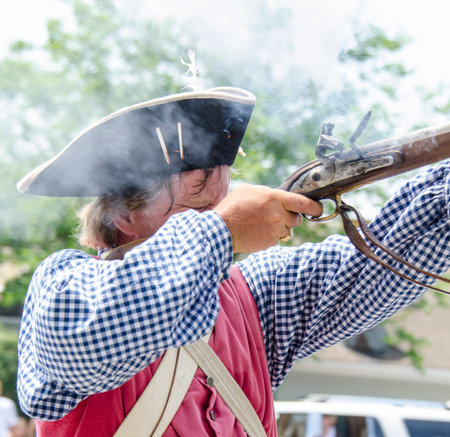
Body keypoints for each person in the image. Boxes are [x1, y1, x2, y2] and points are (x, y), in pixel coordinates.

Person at [16, 87, 449, 436]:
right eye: (199, 207)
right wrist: (223, 229)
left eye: (223, 205)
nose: (218, 219)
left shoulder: (250, 293)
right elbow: (84, 343)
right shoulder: (66, 285)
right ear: (124, 216)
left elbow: (389, 252)